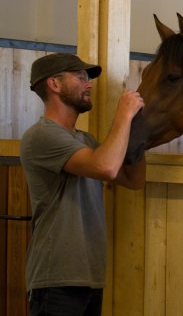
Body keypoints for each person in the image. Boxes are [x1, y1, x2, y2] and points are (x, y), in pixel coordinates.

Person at [21, 53, 146, 315]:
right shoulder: (41, 135)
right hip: (55, 280)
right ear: (54, 84)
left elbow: (134, 180)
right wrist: (123, 115)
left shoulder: (86, 141)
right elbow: (106, 167)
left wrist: (138, 130)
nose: (88, 84)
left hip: (88, 277)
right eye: (80, 77)